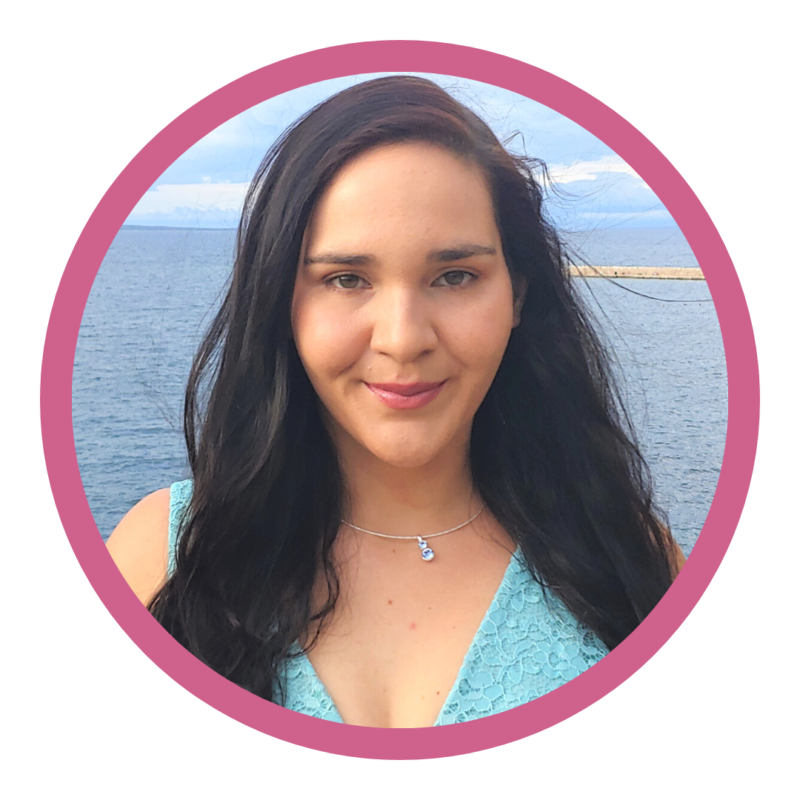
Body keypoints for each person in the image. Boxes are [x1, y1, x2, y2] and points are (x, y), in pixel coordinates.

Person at [107, 75, 685, 728]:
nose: (404, 339)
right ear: (280, 301)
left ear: (517, 295)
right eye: (346, 279)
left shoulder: (630, 558)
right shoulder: (163, 558)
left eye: (455, 276)